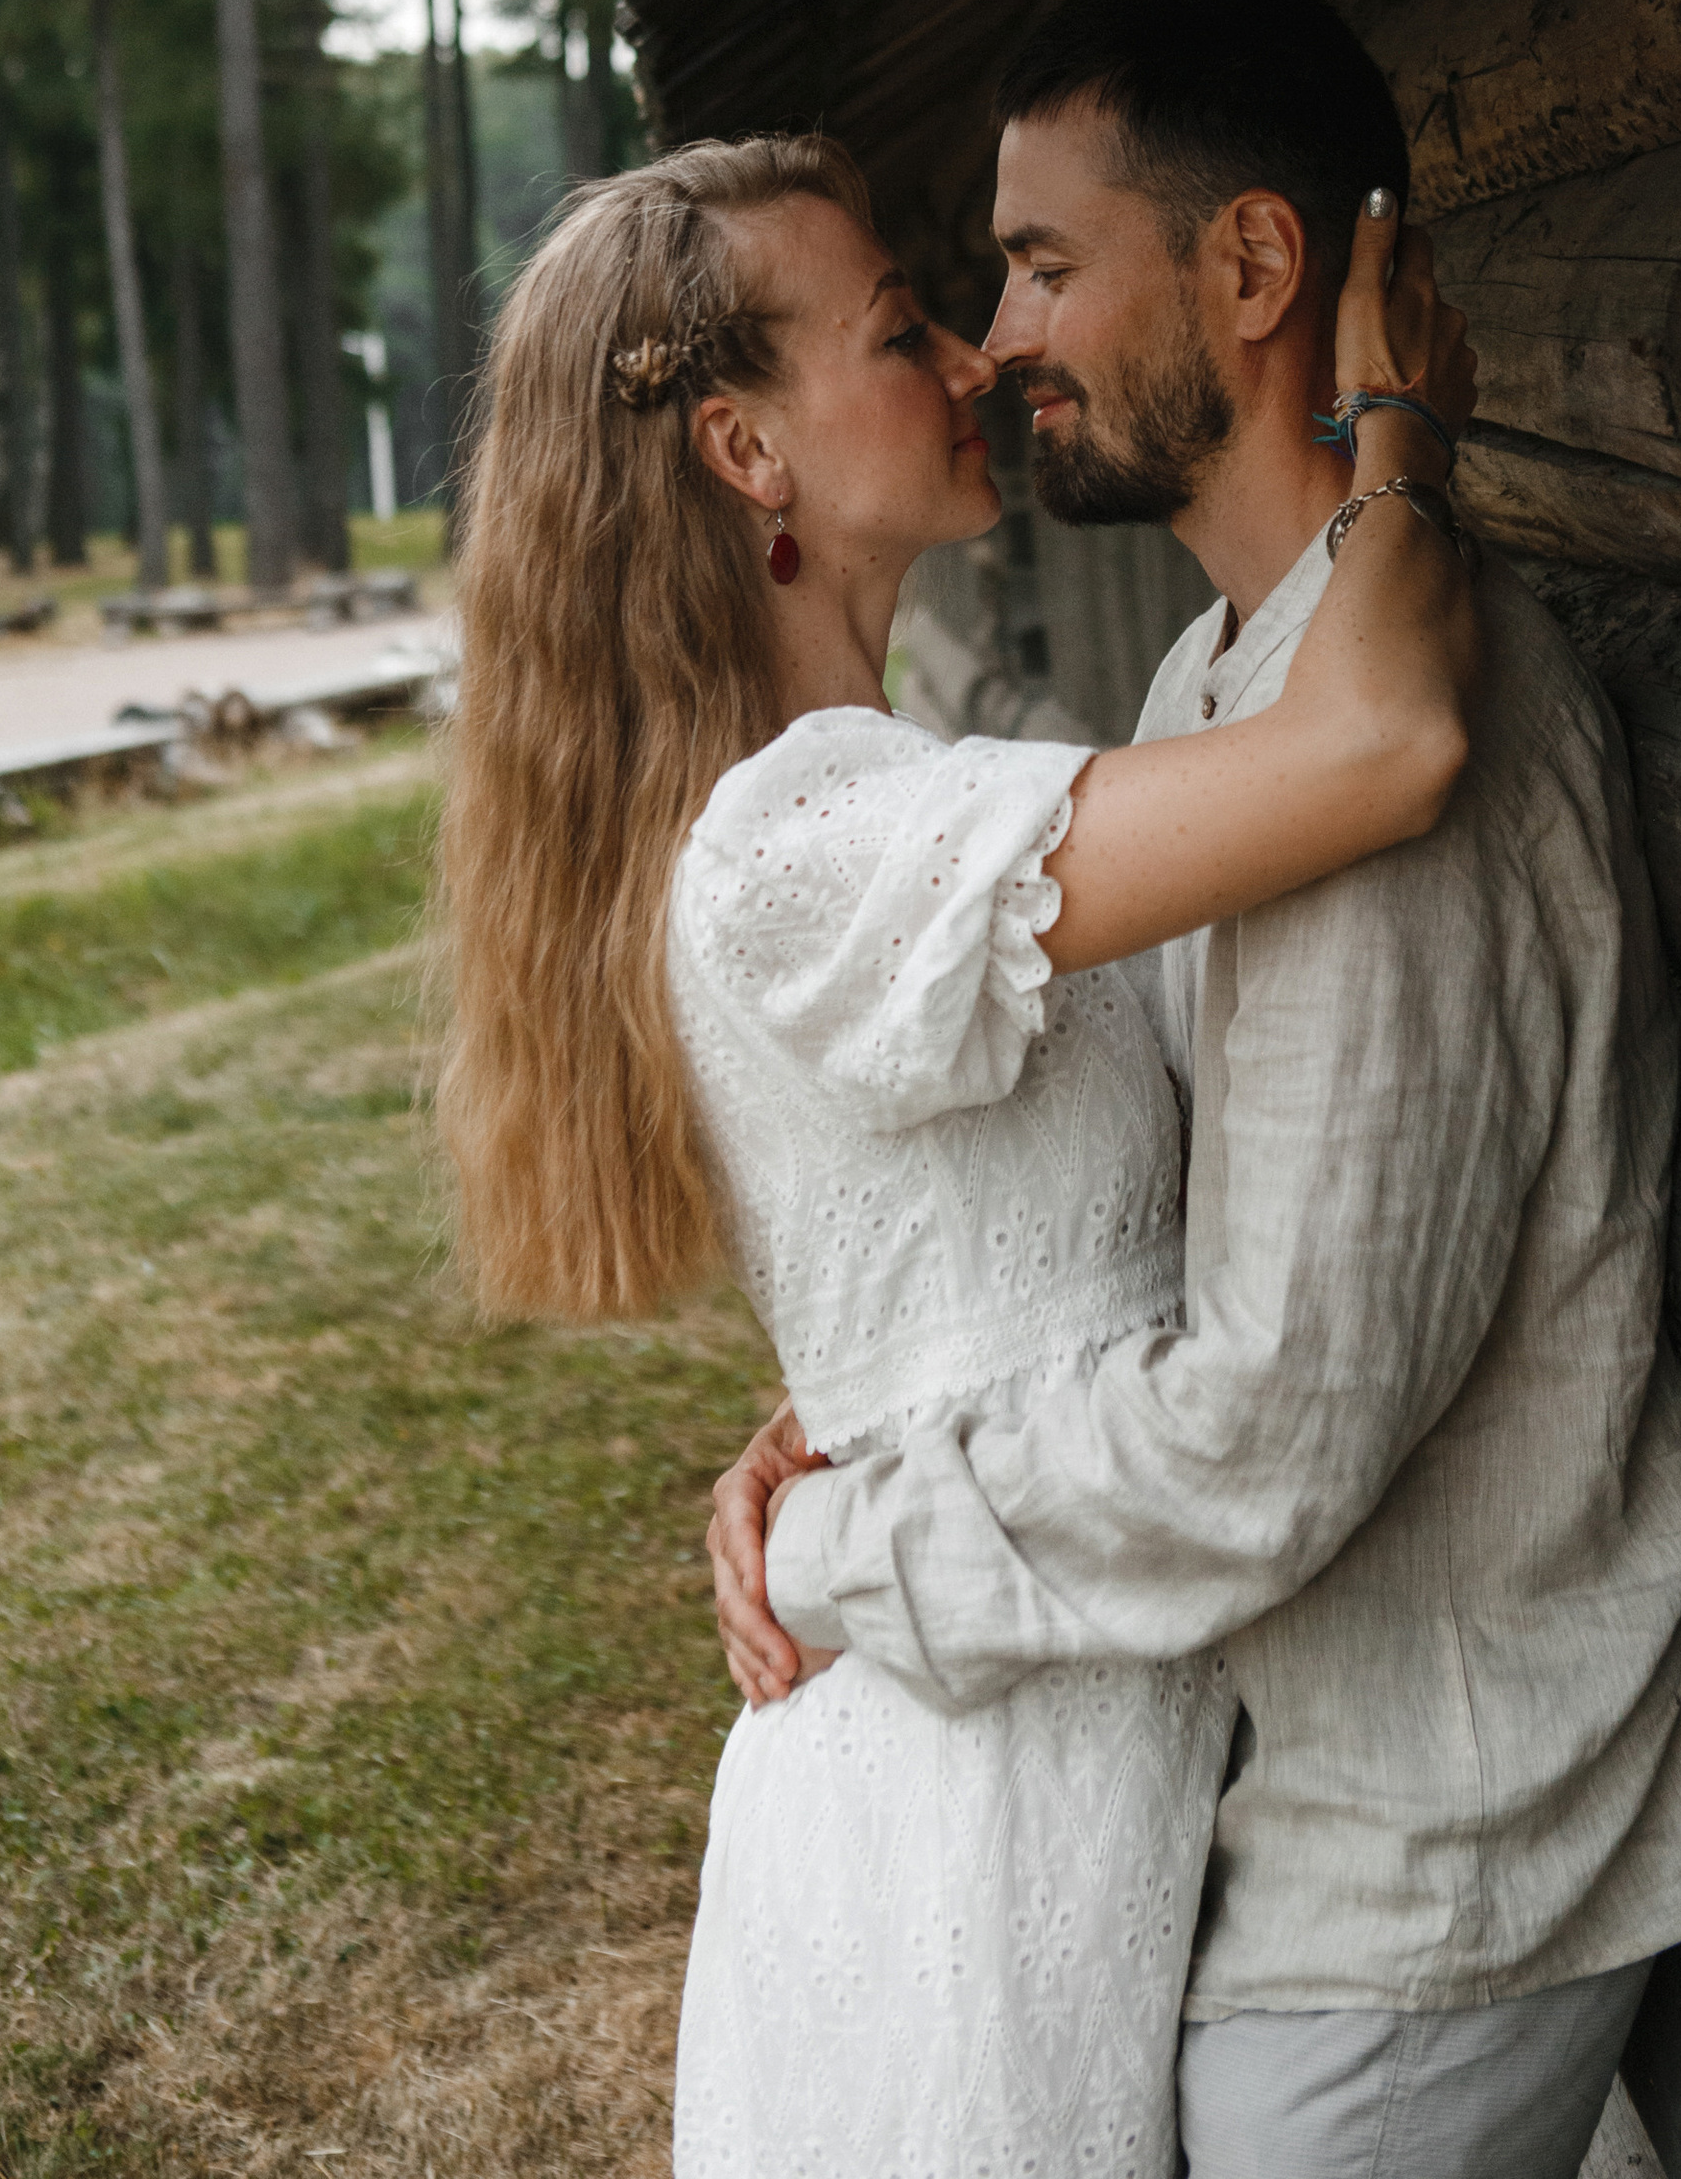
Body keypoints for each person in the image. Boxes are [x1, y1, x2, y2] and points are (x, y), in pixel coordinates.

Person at [711, 0, 1681, 2179]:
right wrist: (873, 1406)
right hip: (1281, 1822)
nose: (998, 339)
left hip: (1420, 1864)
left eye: (1042, 263)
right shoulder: (1221, 687)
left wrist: (848, 1551)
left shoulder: (1394, 755)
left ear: (1255, 267)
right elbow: (1162, 1213)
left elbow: (1271, 1422)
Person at [434, 123, 1482, 2179]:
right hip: (970, 1812)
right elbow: (1387, 743)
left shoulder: (849, 808)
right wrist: (1399, 434)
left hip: (1036, 1695)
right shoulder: (809, 839)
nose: (974, 360)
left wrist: (817, 1415)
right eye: (901, 327)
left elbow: (952, 1234)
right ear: (747, 454)